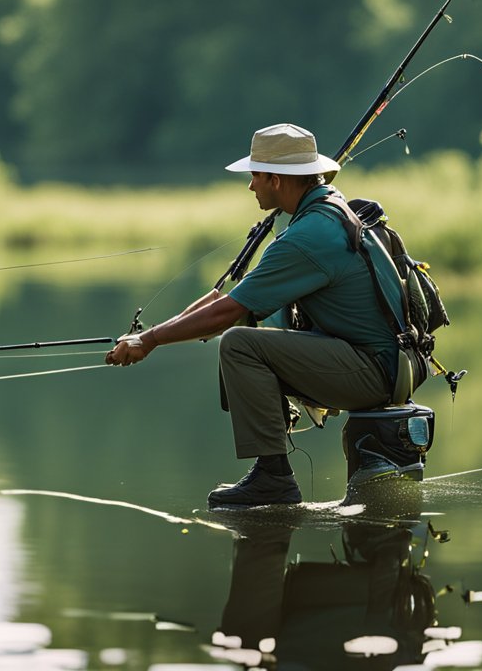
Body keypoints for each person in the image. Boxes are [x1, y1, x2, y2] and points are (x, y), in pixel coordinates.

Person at [105, 123, 404, 508]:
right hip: (381, 365)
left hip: (372, 373)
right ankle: (271, 472)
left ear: (277, 180)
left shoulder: (308, 235)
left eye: (255, 176)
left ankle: (273, 477)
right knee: (242, 334)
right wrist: (155, 334)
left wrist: (148, 341)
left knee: (239, 345)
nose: (250, 187)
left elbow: (230, 313)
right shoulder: (328, 212)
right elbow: (234, 302)